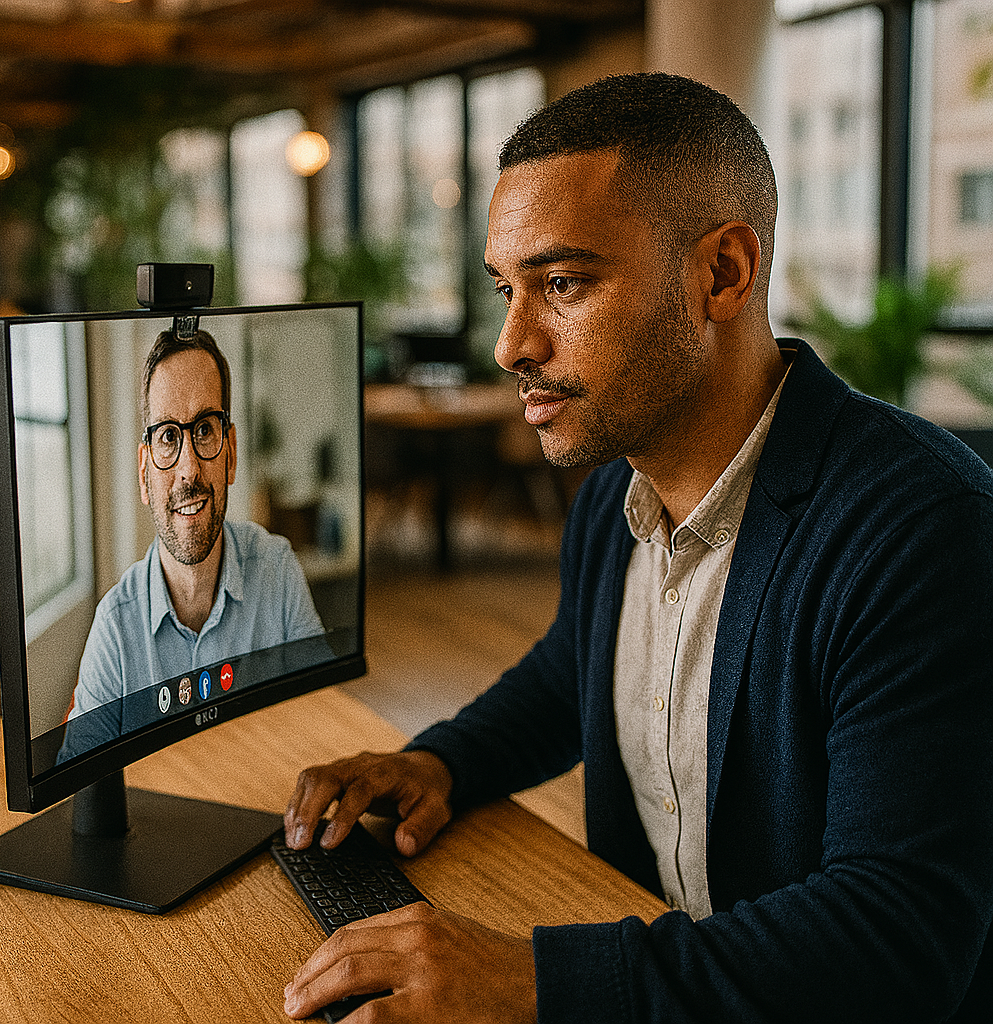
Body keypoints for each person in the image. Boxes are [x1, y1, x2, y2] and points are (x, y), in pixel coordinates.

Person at [281, 73, 993, 1024]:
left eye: (564, 284)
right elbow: (576, 669)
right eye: (506, 289)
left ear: (723, 275)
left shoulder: (920, 530)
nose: (511, 343)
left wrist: (532, 982)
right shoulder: (616, 496)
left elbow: (894, 940)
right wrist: (443, 763)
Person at [60, 328, 323, 757]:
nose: (188, 471)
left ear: (231, 453)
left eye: (204, 430)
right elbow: (80, 798)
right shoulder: (114, 627)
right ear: (144, 473)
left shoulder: (278, 570)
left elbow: (320, 726)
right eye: (167, 435)